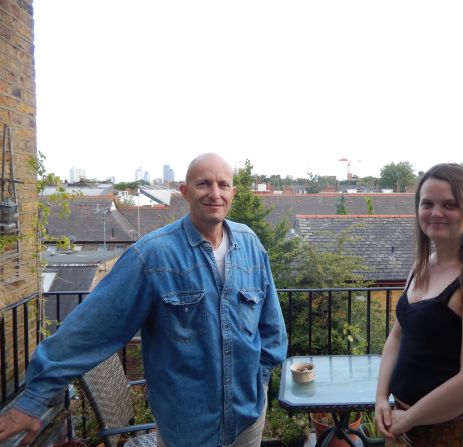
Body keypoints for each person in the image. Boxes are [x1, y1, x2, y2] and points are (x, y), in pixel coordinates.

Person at [0, 153, 288, 447]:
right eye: (204, 184)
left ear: (233, 193)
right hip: (187, 429)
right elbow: (91, 328)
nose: (215, 193)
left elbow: (271, 324)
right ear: (185, 191)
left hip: (248, 420)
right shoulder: (152, 256)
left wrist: (260, 381)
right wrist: (32, 401)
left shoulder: (250, 245)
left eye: (223, 185)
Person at [374, 163, 463, 446]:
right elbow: (397, 336)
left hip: (455, 437)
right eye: (427, 204)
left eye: (449, 204)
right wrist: (381, 398)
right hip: (404, 427)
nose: (436, 213)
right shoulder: (421, 266)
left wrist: (408, 419)